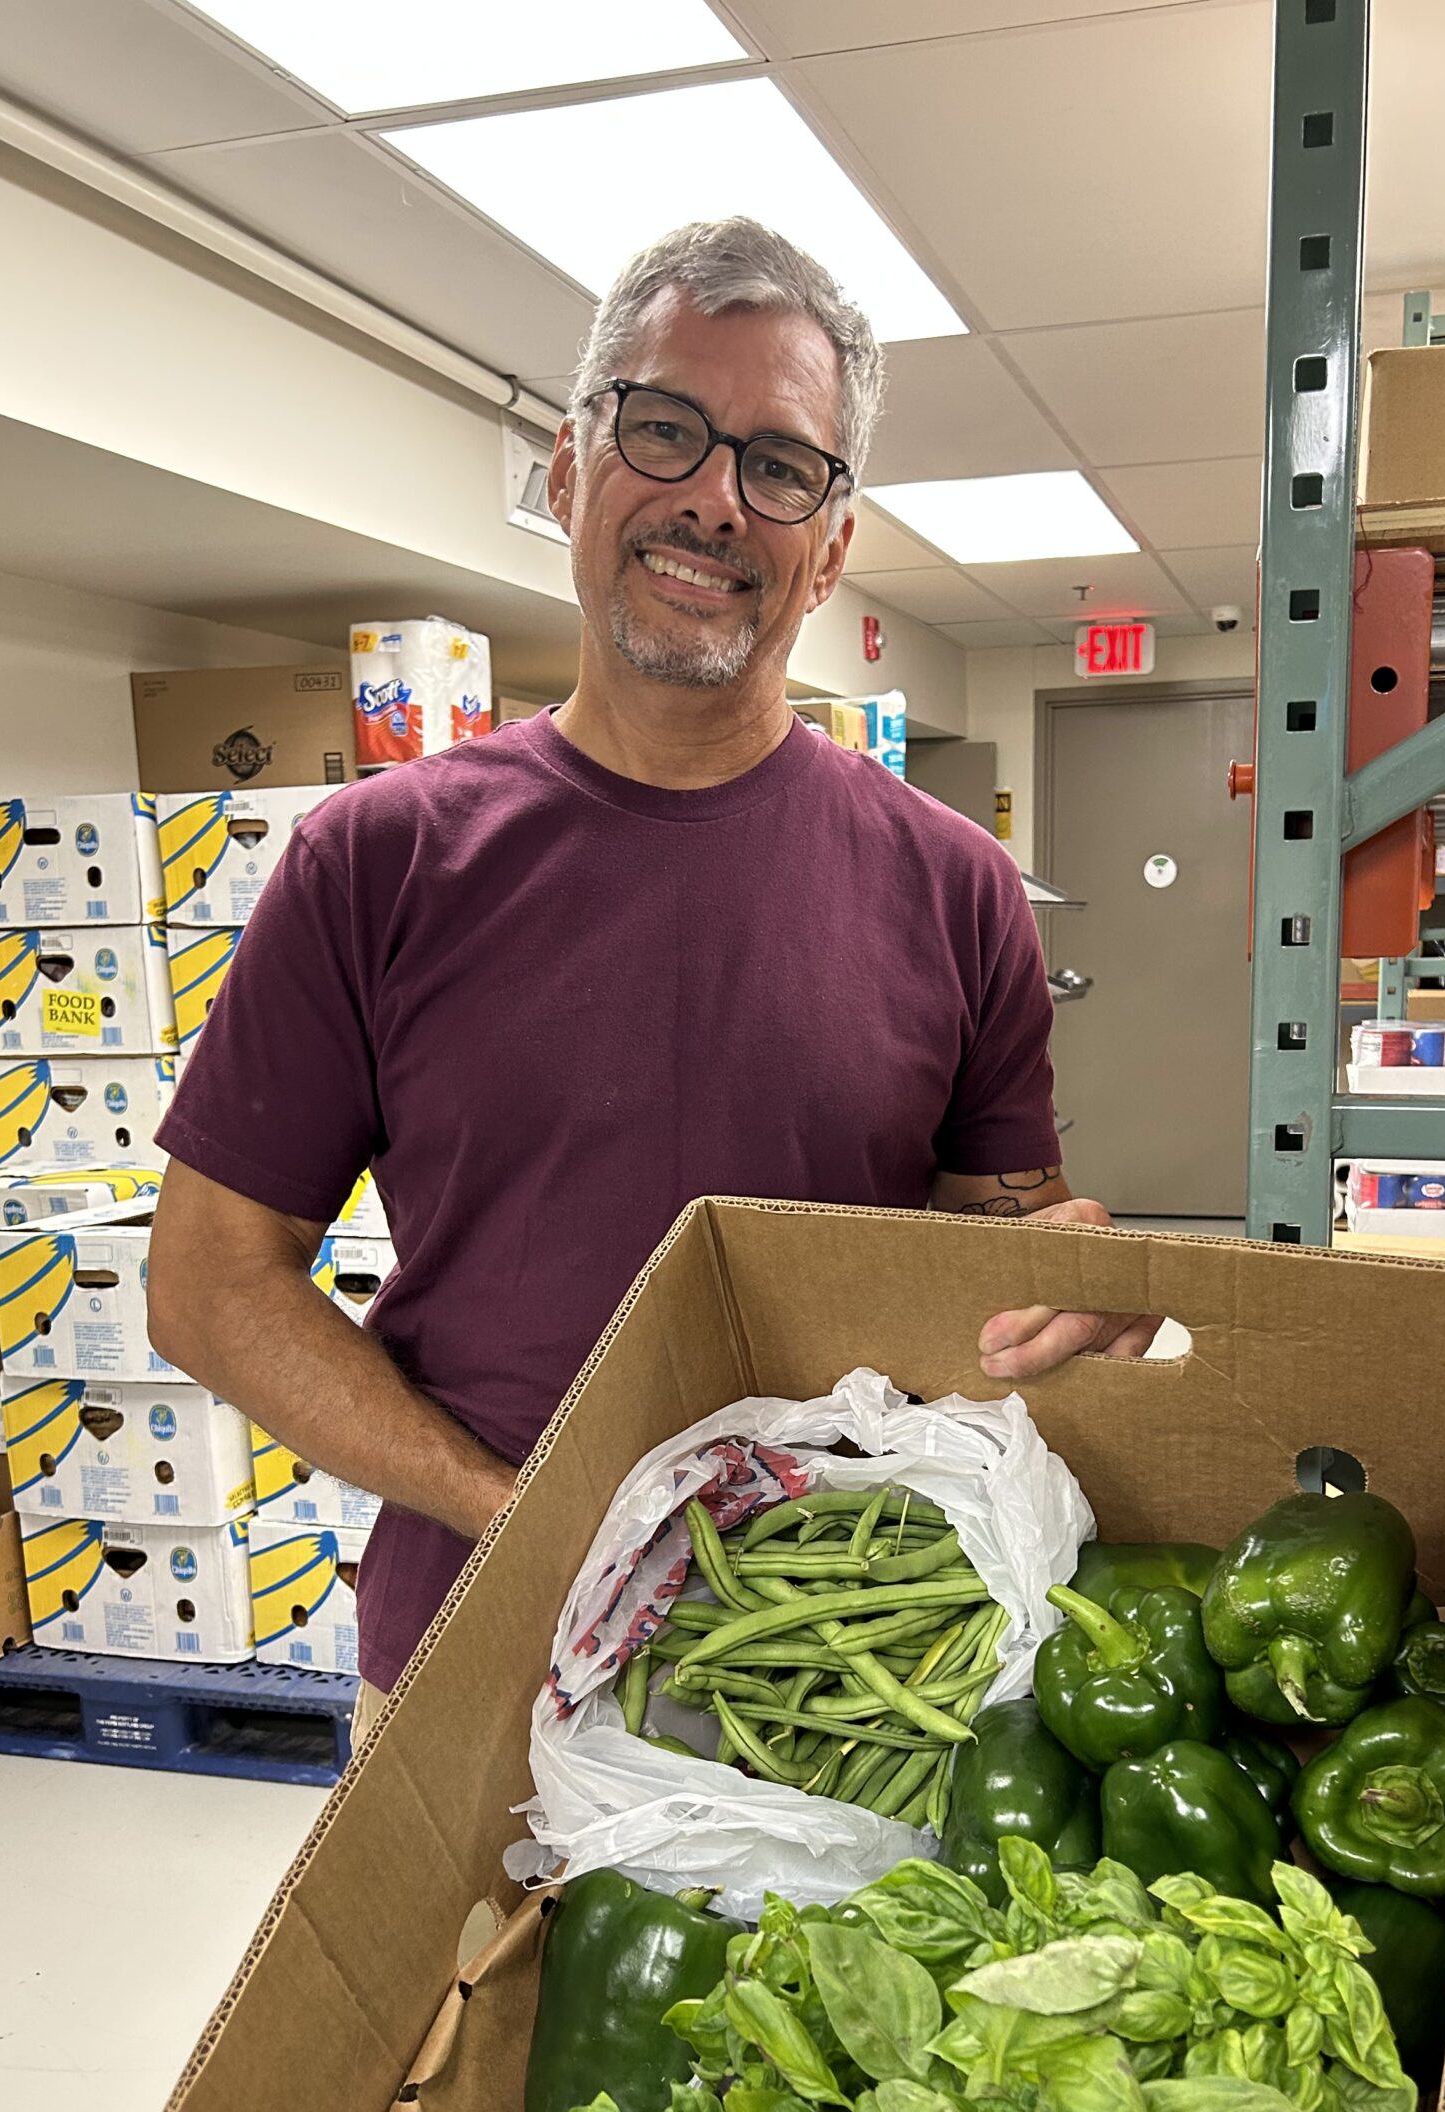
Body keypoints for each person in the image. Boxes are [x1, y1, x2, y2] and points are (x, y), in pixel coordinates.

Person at [147, 217, 1159, 1746]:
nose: (711, 499)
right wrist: (525, 1518)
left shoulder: (956, 888)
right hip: (475, 1641)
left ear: (831, 544)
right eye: (665, 426)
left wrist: (1071, 1291)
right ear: (566, 466)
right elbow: (208, 1284)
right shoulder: (377, 861)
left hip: (852, 1658)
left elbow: (993, 1238)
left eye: (782, 464)